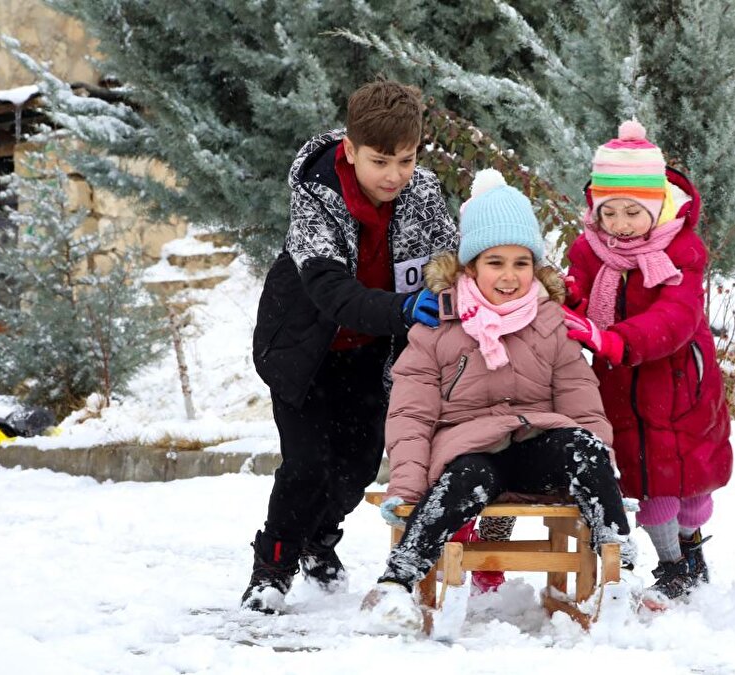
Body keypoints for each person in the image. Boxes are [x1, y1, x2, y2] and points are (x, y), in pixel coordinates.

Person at [359, 170, 637, 634]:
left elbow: (584, 407)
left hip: (535, 449)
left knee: (584, 445)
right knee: (465, 477)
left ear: (535, 267)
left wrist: (601, 475)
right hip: (469, 453)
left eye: (521, 263)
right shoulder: (437, 326)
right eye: (495, 263)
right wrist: (406, 486)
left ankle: (619, 569)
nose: (509, 276)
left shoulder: (551, 324)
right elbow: (411, 414)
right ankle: (396, 581)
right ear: (469, 267)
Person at [243, 80, 458, 613]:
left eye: (406, 160)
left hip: (373, 353)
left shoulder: (423, 192)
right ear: (351, 149)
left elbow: (453, 253)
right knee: (307, 466)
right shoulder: (316, 193)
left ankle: (319, 538)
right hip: (305, 350)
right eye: (380, 161)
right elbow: (329, 289)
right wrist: (404, 309)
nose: (394, 175)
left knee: (359, 467)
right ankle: (271, 568)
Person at [562, 120, 733, 607]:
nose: (619, 223)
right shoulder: (590, 250)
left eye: (632, 211)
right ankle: (674, 565)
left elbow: (674, 317)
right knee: (648, 480)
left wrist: (613, 340)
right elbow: (576, 294)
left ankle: (691, 544)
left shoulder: (681, 251)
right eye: (609, 211)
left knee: (689, 485)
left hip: (679, 384)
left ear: (656, 207)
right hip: (619, 388)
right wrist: (567, 300)